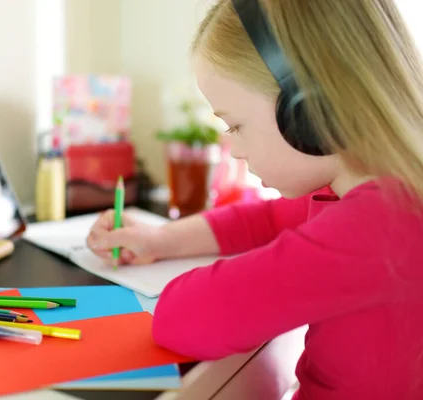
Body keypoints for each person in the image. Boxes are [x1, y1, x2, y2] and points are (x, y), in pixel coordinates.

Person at [86, 0, 423, 399]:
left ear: (308, 110)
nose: (234, 149)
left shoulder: (373, 230)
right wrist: (163, 240)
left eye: (235, 125)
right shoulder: (389, 199)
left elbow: (186, 317)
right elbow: (267, 221)